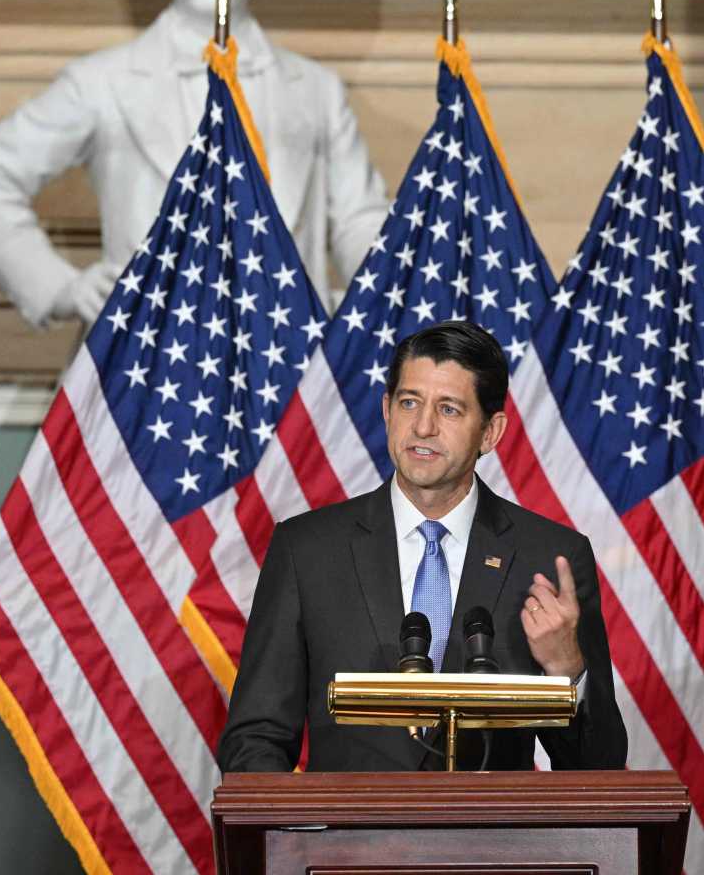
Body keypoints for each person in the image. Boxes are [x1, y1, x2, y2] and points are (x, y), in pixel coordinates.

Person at [0, 0, 390, 327]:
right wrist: (59, 286)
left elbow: (359, 219)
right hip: (149, 361)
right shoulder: (104, 82)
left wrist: (377, 298)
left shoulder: (317, 91)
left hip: (288, 359)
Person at [218, 321, 627, 773]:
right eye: (410, 402)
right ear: (387, 410)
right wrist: (296, 839)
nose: (424, 426)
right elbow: (255, 740)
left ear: (490, 433)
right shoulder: (307, 551)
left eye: (449, 410)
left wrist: (567, 670)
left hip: (493, 842)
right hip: (343, 842)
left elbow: (599, 765)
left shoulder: (548, 558)